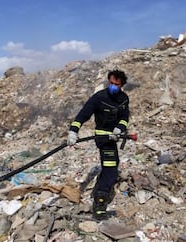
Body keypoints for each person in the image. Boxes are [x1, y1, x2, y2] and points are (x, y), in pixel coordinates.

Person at [67, 69, 130, 220]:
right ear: (109, 81)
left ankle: (99, 190)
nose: (113, 86)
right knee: (111, 170)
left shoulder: (123, 99)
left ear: (122, 85)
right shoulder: (99, 97)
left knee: (112, 166)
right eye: (111, 83)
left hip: (113, 138)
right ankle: (99, 207)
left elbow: (124, 117)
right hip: (102, 138)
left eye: (117, 84)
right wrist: (73, 131)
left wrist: (120, 128)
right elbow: (83, 114)